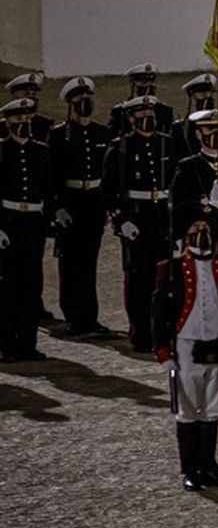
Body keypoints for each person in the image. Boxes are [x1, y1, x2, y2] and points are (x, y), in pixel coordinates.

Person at [153, 201, 218, 492]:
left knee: (212, 409)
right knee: (188, 409)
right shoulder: (173, 268)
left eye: (206, 228)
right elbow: (160, 311)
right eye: (196, 228)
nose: (202, 233)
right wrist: (162, 350)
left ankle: (209, 466)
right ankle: (190, 469)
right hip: (186, 345)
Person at [104, 94, 181, 352]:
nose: (147, 118)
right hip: (137, 218)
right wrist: (120, 219)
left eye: (151, 113)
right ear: (131, 118)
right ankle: (141, 333)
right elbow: (109, 190)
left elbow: (175, 184)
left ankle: (162, 331)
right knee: (139, 279)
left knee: (164, 278)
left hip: (162, 216)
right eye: (141, 114)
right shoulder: (121, 147)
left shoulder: (167, 145)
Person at [49, 76, 114, 336]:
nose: (85, 104)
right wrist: (58, 207)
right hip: (71, 202)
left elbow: (106, 172)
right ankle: (74, 317)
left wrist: (106, 205)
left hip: (93, 202)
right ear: (71, 105)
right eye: (79, 101)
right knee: (70, 263)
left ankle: (90, 318)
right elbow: (52, 175)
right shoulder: (58, 135)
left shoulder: (101, 133)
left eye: (88, 99)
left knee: (89, 263)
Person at [0, 97, 52, 361]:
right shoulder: (2, 151)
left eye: (27, 120)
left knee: (32, 286)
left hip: (33, 222)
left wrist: (50, 230)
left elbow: (48, 191)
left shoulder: (41, 151)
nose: (23, 124)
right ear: (7, 122)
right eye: (18, 120)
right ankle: (7, 345)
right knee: (7, 287)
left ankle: (28, 344)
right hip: (8, 222)